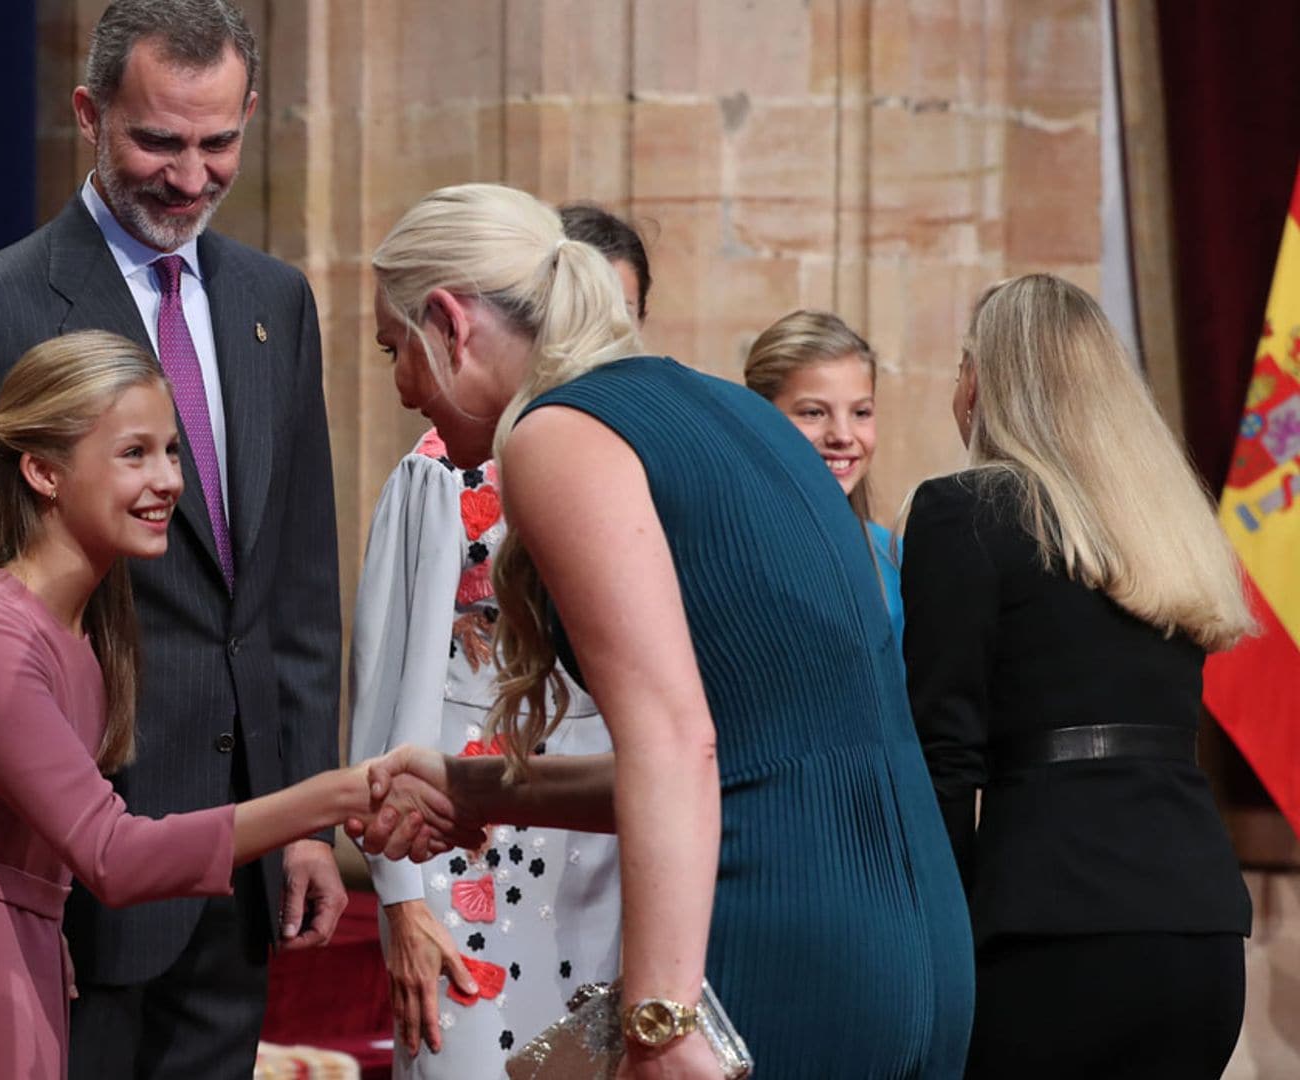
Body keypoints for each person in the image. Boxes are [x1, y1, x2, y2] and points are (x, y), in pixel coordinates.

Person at [354, 182, 973, 1078]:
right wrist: (475, 789)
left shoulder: (557, 434)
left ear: (450, 323)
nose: (406, 390)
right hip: (915, 933)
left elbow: (676, 743)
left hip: (779, 927)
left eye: (393, 351)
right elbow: (739, 752)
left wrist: (660, 1019)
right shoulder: (734, 410)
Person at [0, 3, 345, 1076]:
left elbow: (293, 587)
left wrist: (303, 816)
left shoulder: (278, 301)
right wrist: (7, 895)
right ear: (90, 114)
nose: (189, 177)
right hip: (76, 871)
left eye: (218, 142)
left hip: (239, 853)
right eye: (158, 142)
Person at [0, 333, 374, 1080]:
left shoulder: (85, 629)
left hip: (15, 964)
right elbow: (114, 856)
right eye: (134, 454)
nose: (168, 480)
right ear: (44, 472)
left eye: (173, 451)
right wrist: (331, 797)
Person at [902, 274, 1254, 1078]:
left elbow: (944, 755)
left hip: (1054, 929)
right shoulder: (1166, 527)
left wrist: (932, 947)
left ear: (988, 380)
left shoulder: (966, 511)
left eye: (963, 366)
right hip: (1198, 931)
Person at [348, 204, 648, 1073]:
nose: (400, 383)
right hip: (465, 836)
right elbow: (385, 676)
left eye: (393, 348)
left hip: (603, 835)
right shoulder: (439, 465)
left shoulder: (613, 451)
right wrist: (401, 898)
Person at [744, 311, 903, 634]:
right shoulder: (731, 549)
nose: (843, 436)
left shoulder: (894, 558)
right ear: (758, 414)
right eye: (813, 412)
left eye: (861, 412)